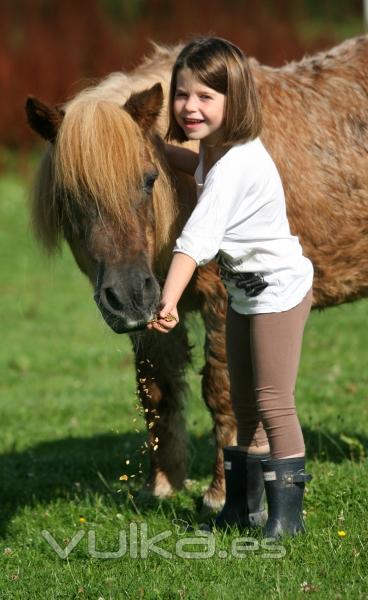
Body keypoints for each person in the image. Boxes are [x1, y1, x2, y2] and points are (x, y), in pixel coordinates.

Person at [147, 36, 313, 538]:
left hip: (278, 292)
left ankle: (288, 519)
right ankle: (243, 507)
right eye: (182, 94)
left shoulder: (235, 165)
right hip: (246, 290)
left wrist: (169, 298)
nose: (190, 107)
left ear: (234, 101)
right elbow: (190, 165)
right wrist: (152, 148)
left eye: (206, 96)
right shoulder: (216, 151)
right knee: (243, 403)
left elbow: (194, 242)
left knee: (272, 401)